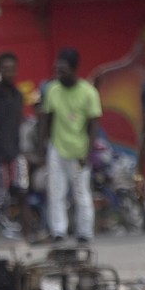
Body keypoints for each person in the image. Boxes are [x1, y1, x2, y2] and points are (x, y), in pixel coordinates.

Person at [41, 47, 101, 244]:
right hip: (57, 148)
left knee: (81, 192)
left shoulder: (88, 92)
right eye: (58, 67)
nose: (59, 71)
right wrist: (46, 145)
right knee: (56, 191)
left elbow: (93, 124)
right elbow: (47, 119)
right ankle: (59, 231)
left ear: (74, 69)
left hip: (79, 150)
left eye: (64, 68)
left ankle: (84, 232)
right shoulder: (52, 90)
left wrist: (88, 152)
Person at [0, 52, 31, 241]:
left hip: (15, 152)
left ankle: (27, 232)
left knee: (22, 192)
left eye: (12, 69)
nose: (9, 73)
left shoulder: (18, 95)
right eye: (5, 69)